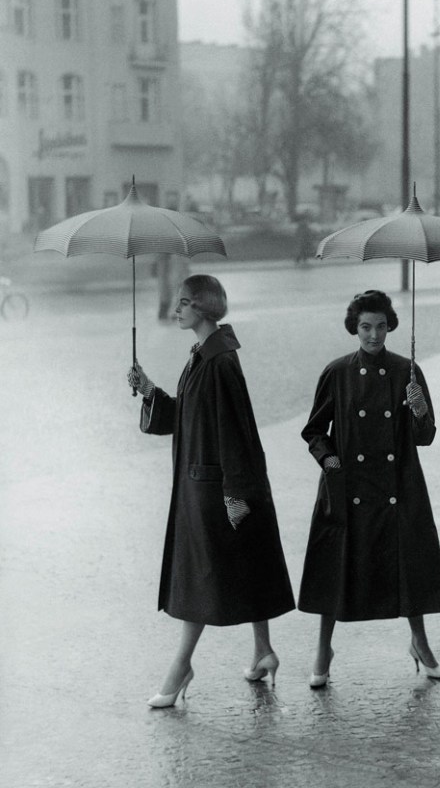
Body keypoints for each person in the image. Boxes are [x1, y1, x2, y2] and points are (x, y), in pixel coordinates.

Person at [127, 274, 295, 707]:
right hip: (208, 483)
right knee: (245, 563)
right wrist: (148, 389)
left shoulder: (219, 361)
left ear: (203, 309)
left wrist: (235, 492)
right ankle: (263, 651)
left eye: (184, 304)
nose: (177, 310)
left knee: (199, 580)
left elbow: (236, 429)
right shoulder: (205, 354)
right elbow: (190, 416)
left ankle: (181, 666)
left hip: (213, 488)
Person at [298, 289, 440, 687]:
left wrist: (418, 409)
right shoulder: (337, 372)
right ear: (355, 327)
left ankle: (420, 641)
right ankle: (322, 649)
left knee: (409, 568)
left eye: (381, 327)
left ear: (390, 327)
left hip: (398, 484)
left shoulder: (407, 371)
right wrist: (329, 458)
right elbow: (315, 430)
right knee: (336, 569)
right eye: (366, 327)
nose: (373, 335)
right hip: (348, 484)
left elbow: (426, 435)